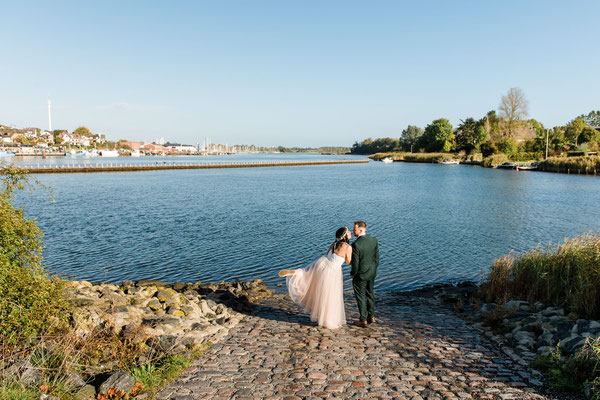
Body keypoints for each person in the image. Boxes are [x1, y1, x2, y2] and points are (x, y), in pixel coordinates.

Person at [278, 227, 351, 329]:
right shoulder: (347, 247)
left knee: (310, 278)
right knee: (330, 295)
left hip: (323, 265)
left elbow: (328, 254)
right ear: (345, 236)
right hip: (333, 271)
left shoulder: (334, 244)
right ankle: (327, 320)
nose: (350, 232)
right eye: (348, 232)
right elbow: (348, 262)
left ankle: (297, 273)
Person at [350, 221, 379, 327]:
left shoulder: (356, 244)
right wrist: (373, 269)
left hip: (360, 275)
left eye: (354, 229)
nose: (353, 231)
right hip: (372, 273)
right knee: (370, 294)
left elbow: (355, 263)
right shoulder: (373, 240)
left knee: (361, 296)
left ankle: (363, 319)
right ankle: (371, 316)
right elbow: (376, 258)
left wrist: (353, 273)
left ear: (361, 230)